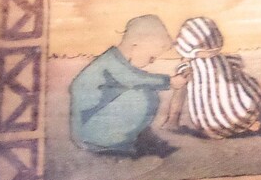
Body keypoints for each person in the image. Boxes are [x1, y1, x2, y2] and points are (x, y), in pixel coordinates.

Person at [69, 15, 187, 155]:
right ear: (136, 44)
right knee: (144, 95)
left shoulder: (112, 60)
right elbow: (132, 78)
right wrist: (169, 81)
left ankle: (121, 138)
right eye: (151, 57)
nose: (151, 62)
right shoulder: (111, 62)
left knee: (143, 93)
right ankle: (115, 142)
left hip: (90, 126)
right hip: (90, 133)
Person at [163, 17, 261, 138]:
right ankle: (247, 123)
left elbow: (181, 82)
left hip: (209, 123)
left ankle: (174, 121)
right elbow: (238, 63)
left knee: (184, 90)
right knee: (243, 83)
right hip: (240, 112)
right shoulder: (223, 59)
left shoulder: (189, 66)